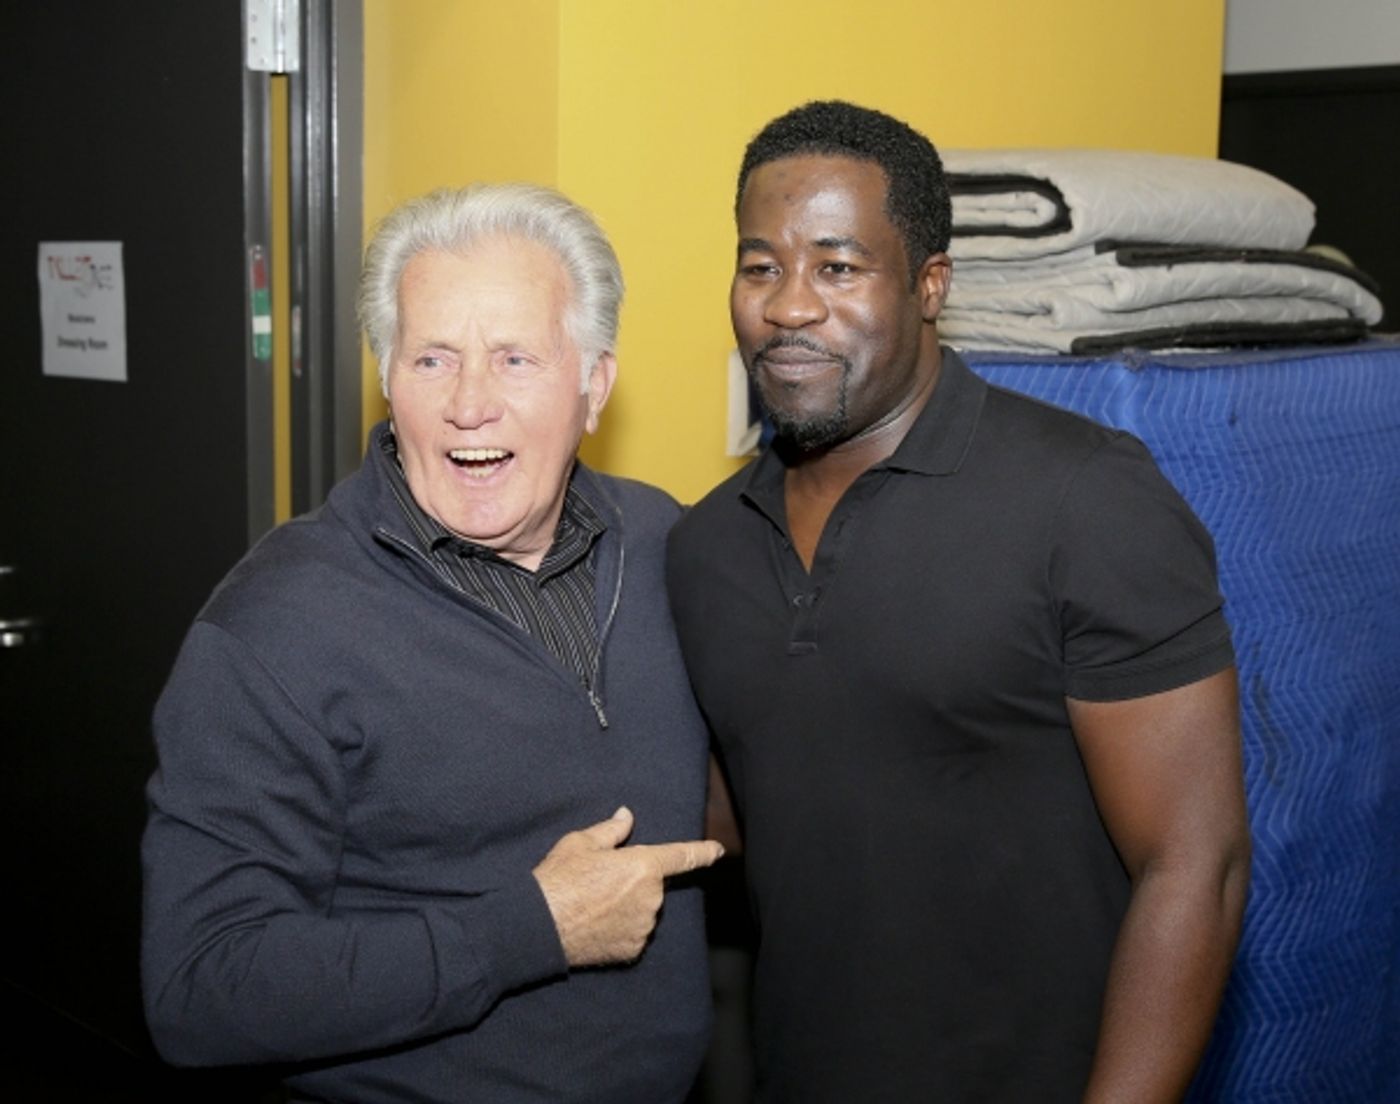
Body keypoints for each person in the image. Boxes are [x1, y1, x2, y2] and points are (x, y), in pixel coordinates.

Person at [667, 101, 1251, 1103]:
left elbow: (1197, 865)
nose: (789, 306)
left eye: (838, 268)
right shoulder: (705, 546)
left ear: (929, 285)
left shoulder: (1084, 498)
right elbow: (741, 820)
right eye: (760, 267)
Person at [142, 183, 723, 1103]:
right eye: (432, 360)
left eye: (515, 359)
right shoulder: (274, 627)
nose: (470, 404)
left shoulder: (671, 545)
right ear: (388, 380)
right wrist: (531, 929)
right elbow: (200, 990)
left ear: (594, 385)